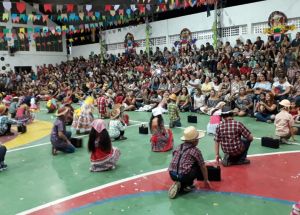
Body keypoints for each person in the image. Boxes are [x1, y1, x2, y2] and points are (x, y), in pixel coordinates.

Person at [168, 126, 211, 199]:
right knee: (198, 165)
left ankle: (178, 182)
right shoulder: (195, 151)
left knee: (186, 164)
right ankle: (185, 185)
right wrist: (206, 180)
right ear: (195, 140)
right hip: (184, 176)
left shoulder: (178, 147)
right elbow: (203, 167)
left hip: (172, 174)